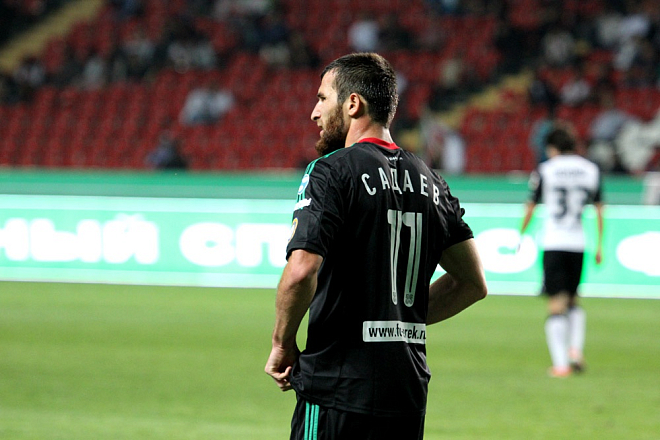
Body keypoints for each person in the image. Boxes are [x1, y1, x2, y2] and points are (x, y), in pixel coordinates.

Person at [264, 53, 487, 439]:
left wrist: (281, 344)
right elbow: (472, 283)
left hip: (336, 387)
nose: (314, 113)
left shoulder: (331, 171)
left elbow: (300, 271)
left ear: (353, 103)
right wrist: (396, 321)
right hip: (406, 392)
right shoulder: (432, 182)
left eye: (322, 98)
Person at [519, 127, 604, 378]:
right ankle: (575, 350)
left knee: (556, 304)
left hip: (554, 242)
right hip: (578, 242)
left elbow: (531, 205)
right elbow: (599, 208)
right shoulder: (590, 169)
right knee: (574, 298)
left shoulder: (546, 170)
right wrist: (599, 244)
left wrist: (521, 234)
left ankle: (561, 365)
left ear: (552, 148)